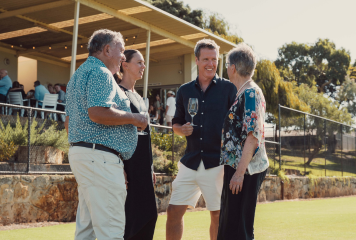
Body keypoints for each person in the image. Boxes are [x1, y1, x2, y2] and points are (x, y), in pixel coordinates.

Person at [66, 29, 147, 240]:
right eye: (121, 50)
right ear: (107, 49)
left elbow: (68, 122)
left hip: (86, 156)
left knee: (87, 231)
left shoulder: (78, 74)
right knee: (111, 231)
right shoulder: (101, 73)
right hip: (99, 159)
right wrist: (134, 118)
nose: (123, 56)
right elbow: (97, 112)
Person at [166, 39, 237, 240]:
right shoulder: (184, 91)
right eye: (206, 59)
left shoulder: (229, 89)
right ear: (196, 60)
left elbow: (236, 126)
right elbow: (176, 124)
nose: (210, 64)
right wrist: (182, 130)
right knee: (173, 211)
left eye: (214, 59)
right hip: (190, 162)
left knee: (217, 215)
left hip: (216, 164)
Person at [217, 43, 268, 240]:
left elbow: (252, 136)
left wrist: (238, 174)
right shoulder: (244, 92)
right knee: (231, 226)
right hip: (239, 168)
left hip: (245, 170)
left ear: (232, 68)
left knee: (239, 229)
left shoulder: (250, 93)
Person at [113, 49, 158, 240]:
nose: (143, 66)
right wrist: (118, 166)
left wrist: (151, 166)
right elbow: (111, 131)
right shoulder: (116, 94)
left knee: (150, 216)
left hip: (144, 168)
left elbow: (146, 136)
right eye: (139, 62)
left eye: (144, 63)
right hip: (128, 168)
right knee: (131, 221)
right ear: (125, 65)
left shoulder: (140, 98)